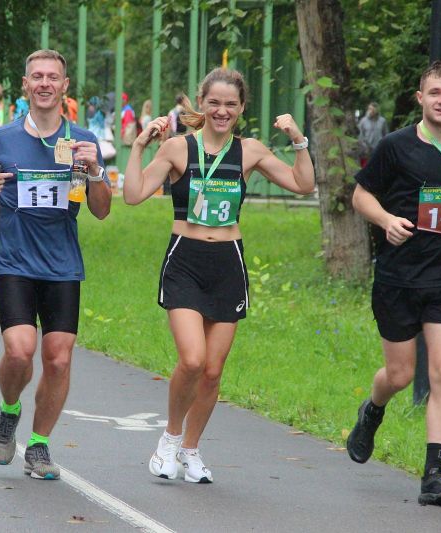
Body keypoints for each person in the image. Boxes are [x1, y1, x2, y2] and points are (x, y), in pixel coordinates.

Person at [123, 68, 314, 483]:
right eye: (214, 103)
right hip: (185, 260)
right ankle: (170, 438)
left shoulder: (249, 151)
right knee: (192, 359)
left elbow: (303, 184)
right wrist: (138, 146)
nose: (222, 111)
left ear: (241, 108)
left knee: (212, 370)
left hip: (228, 262)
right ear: (202, 103)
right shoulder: (178, 148)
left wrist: (298, 139)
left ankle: (191, 450)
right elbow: (134, 194)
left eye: (230, 104)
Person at [0, 49, 111, 480]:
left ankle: (39, 445)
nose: (45, 84)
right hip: (16, 261)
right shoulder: (2, 139)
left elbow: (102, 210)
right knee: (20, 350)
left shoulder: (83, 141)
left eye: (53, 77)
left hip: (63, 264)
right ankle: (9, 411)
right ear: (25, 85)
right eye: (37, 77)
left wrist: (95, 171)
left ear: (65, 86)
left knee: (59, 359)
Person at [346, 60, 441, 506]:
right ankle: (372, 410)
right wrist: (386, 220)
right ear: (421, 98)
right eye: (436, 93)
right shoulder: (395, 146)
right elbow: (360, 195)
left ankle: (434, 475)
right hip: (399, 278)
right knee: (401, 374)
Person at [357, 102, 388, 167]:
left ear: (377, 110)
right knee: (366, 168)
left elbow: (386, 135)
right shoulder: (363, 121)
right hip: (366, 150)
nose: (371, 111)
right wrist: (363, 147)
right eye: (369, 109)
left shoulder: (382, 121)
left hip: (378, 149)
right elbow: (360, 136)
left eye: (373, 110)